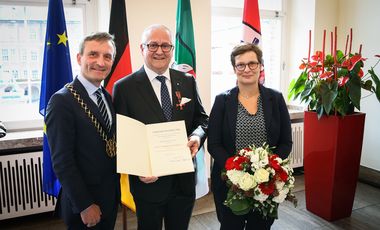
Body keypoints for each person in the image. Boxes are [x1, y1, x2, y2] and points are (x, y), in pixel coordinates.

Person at [113, 24, 208, 230]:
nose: (159, 51)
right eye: (153, 45)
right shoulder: (124, 87)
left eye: (166, 46)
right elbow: (122, 136)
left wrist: (197, 137)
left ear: (172, 49)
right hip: (148, 184)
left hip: (183, 181)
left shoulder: (188, 80)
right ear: (142, 48)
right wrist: (138, 168)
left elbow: (202, 120)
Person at [207, 43, 292, 230]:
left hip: (266, 184)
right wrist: (237, 173)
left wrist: (269, 169)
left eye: (252, 63)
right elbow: (213, 144)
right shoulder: (222, 101)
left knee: (260, 227)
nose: (247, 69)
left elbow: (286, 141)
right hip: (230, 184)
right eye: (241, 65)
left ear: (261, 66)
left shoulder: (275, 99)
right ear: (234, 69)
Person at [45, 32, 120, 229]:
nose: (100, 62)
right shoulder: (62, 101)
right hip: (85, 202)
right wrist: (85, 204)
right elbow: (62, 161)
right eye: (93, 54)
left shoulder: (106, 95)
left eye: (107, 56)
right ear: (80, 58)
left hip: (109, 196)